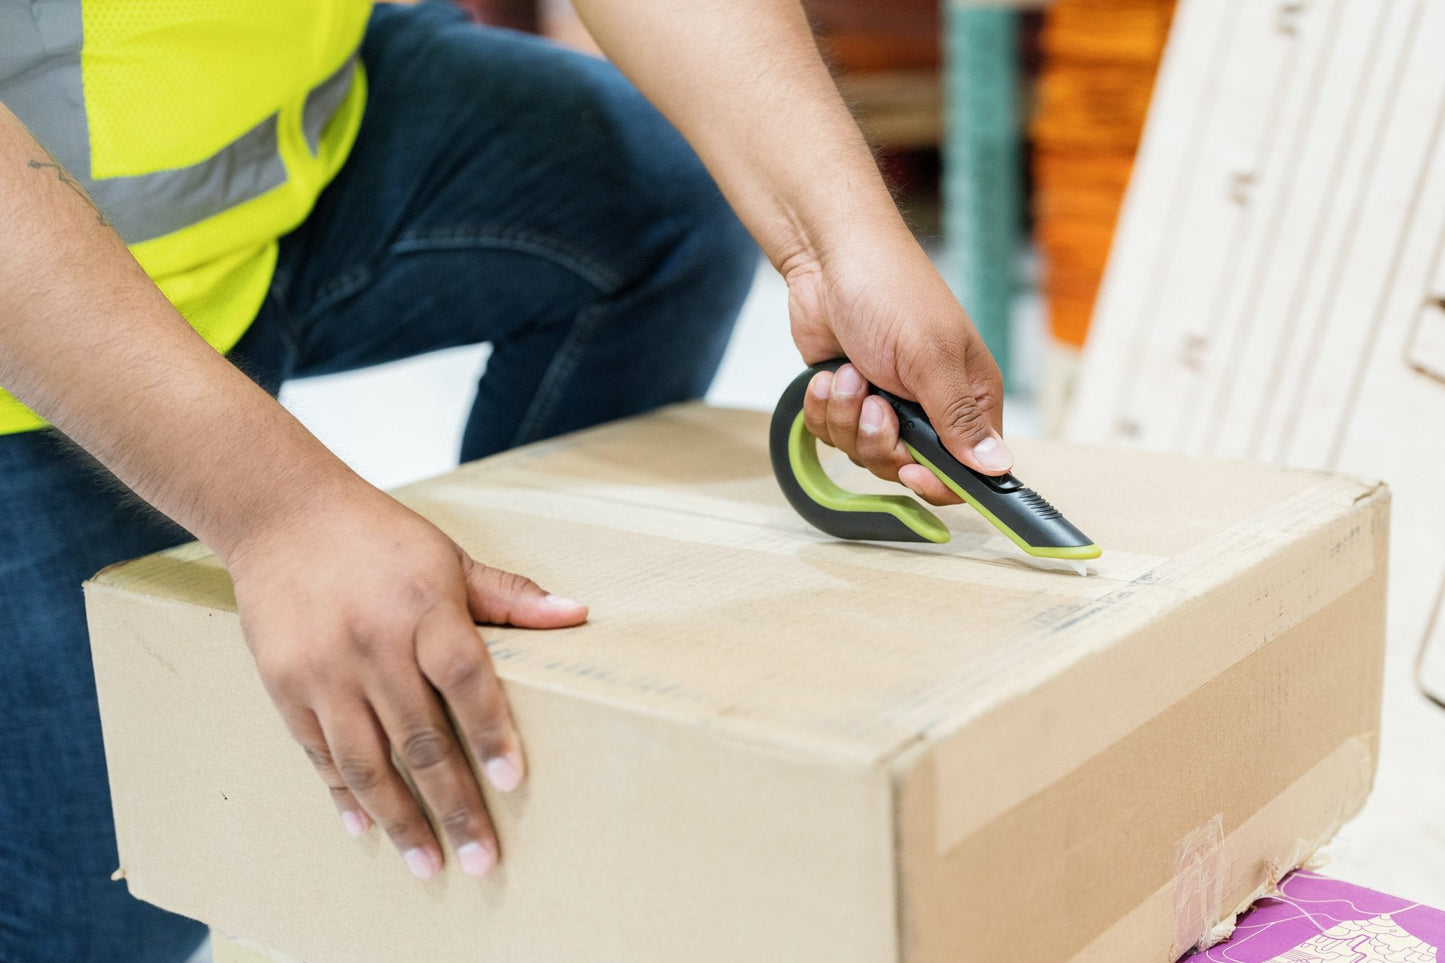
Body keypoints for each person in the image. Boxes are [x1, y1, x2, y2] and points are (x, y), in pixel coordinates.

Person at [0, 0, 1012, 959]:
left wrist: (838, 240)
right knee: (111, 912)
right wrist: (282, 511)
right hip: (31, 322)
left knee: (645, 197)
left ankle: (529, 711)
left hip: (283, 139)